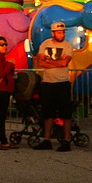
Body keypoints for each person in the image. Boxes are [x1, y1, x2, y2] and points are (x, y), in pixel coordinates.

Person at [35, 21, 76, 151]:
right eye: (59, 32)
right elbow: (40, 61)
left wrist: (49, 61)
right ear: (53, 33)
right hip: (48, 83)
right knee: (48, 112)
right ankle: (47, 140)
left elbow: (65, 62)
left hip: (62, 82)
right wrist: (55, 62)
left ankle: (66, 140)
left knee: (65, 113)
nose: (61, 34)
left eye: (63, 32)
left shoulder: (67, 46)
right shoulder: (45, 44)